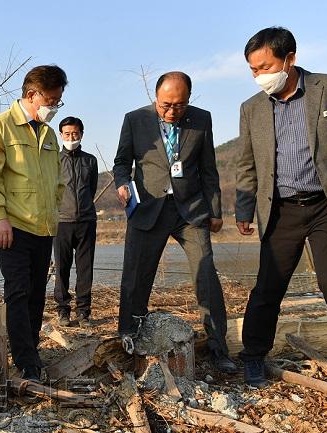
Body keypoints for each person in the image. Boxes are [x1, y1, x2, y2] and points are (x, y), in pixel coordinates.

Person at [235, 26, 327, 391]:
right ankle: (254, 358)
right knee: (268, 286)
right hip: (280, 210)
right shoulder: (251, 109)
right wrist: (244, 209)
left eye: (265, 66)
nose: (259, 76)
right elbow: (246, 165)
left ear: (289, 59)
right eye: (253, 69)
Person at [113, 71, 237, 373]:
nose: (171, 111)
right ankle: (129, 339)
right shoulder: (134, 119)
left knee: (206, 274)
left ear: (188, 100)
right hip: (149, 208)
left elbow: (209, 168)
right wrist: (122, 183)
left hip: (191, 210)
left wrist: (216, 210)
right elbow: (121, 163)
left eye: (178, 106)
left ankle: (219, 346)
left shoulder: (201, 119)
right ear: (156, 98)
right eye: (165, 105)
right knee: (136, 276)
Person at [0, 65, 67, 382]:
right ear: (32, 95)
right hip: (12, 225)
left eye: (59, 101)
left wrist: (53, 210)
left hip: (43, 226)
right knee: (17, 291)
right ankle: (26, 360)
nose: (55, 107)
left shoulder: (49, 135)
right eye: (51, 100)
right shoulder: (0, 127)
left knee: (36, 294)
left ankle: (29, 348)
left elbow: (57, 180)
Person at [53, 116, 98, 328]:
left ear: (81, 134)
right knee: (62, 268)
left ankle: (83, 312)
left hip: (87, 220)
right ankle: (63, 310)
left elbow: (91, 188)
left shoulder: (90, 160)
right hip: (61, 221)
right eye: (67, 133)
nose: (72, 137)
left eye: (75, 133)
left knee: (85, 268)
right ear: (61, 135)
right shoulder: (54, 159)